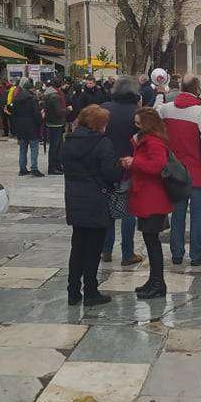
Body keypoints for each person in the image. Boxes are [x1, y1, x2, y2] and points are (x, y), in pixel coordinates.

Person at [158, 74, 201, 266]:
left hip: (174, 173)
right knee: (197, 215)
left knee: (177, 214)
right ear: (197, 90)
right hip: (197, 174)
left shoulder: (165, 110)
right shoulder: (200, 114)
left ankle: (177, 253)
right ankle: (197, 254)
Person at [61, 104, 119, 306]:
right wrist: (120, 166)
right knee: (93, 248)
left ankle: (73, 290)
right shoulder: (103, 143)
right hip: (96, 200)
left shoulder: (68, 141)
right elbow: (110, 174)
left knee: (77, 246)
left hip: (75, 198)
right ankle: (91, 291)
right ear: (98, 124)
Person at [122, 107, 173, 298]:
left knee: (152, 241)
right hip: (146, 196)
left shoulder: (154, 142)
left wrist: (134, 162)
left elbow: (157, 166)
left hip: (153, 198)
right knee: (149, 239)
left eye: (137, 123)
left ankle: (158, 284)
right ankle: (153, 280)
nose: (134, 126)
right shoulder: (146, 140)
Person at [101, 76, 143, 266]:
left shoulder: (104, 109)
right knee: (129, 211)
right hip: (129, 166)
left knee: (108, 209)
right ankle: (127, 252)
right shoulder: (137, 113)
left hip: (107, 165)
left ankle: (106, 250)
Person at [10, 79, 44, 177]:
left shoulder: (16, 98)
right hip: (31, 126)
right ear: (31, 89)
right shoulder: (32, 99)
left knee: (22, 149)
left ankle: (22, 169)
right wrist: (40, 121)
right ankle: (34, 168)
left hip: (20, 126)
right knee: (34, 148)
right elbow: (36, 114)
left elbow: (13, 113)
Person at [43, 77, 67, 174]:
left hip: (51, 122)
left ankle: (57, 165)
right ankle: (52, 168)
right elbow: (59, 112)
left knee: (56, 146)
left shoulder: (48, 93)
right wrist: (68, 110)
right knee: (55, 146)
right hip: (56, 123)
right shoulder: (56, 96)